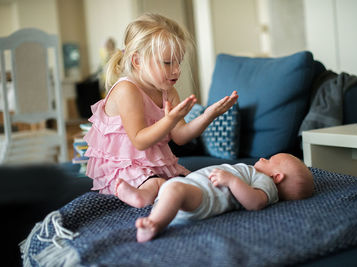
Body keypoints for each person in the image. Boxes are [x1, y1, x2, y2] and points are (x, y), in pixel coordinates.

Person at [83, 13, 238, 208]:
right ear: (137, 61)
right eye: (167, 63)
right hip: (123, 168)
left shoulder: (168, 91)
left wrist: (208, 116)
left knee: (196, 182)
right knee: (158, 185)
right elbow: (139, 140)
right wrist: (169, 120)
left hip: (153, 164)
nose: (176, 70)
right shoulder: (127, 90)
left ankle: (152, 186)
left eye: (178, 62)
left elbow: (180, 136)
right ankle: (135, 195)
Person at [135, 153, 314, 242]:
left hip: (203, 197)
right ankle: (142, 197)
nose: (262, 158)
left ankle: (154, 224)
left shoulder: (266, 182)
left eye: (269, 160)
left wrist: (232, 181)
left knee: (174, 190)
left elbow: (256, 203)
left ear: (277, 177)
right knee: (163, 185)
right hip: (191, 186)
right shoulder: (258, 174)